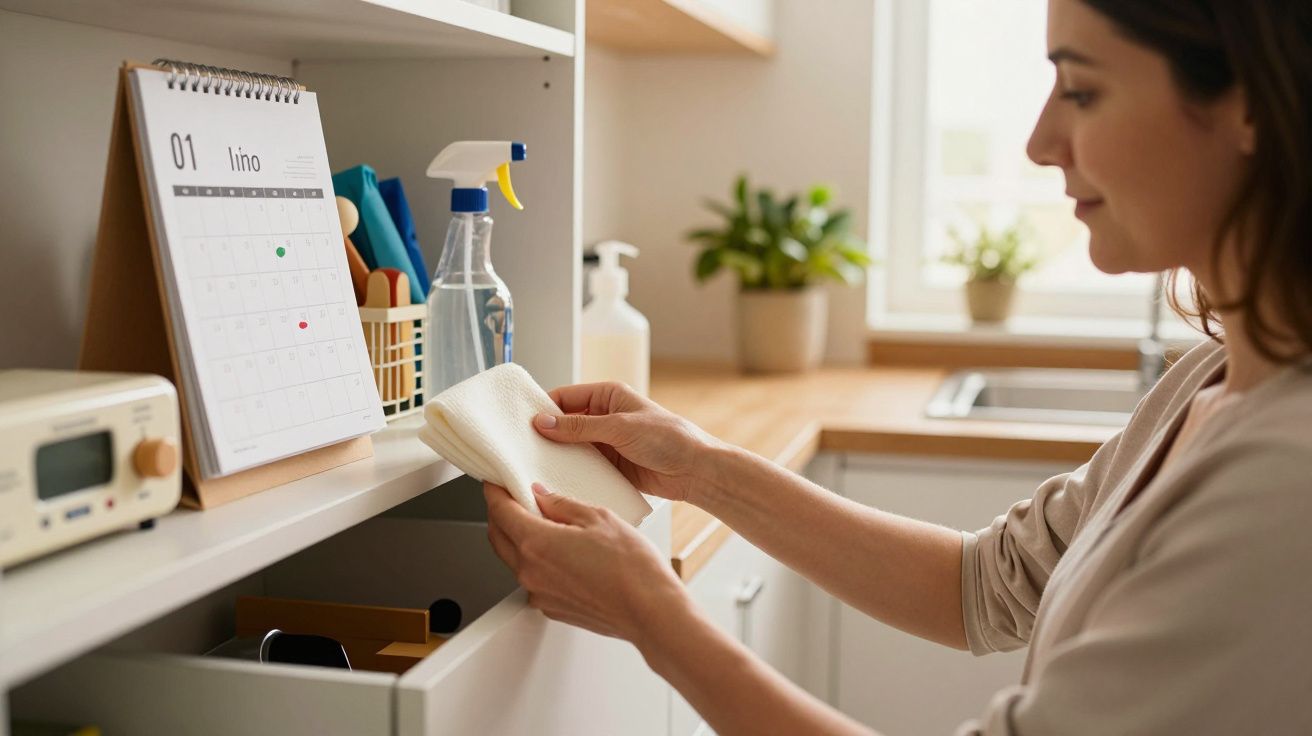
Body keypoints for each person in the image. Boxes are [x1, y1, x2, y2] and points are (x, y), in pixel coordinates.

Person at [481, 0, 1312, 732]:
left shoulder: (1286, 477)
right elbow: (989, 583)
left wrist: (652, 613)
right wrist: (700, 467)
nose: (1038, 141)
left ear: (1249, 103)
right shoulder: (1208, 381)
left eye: (1083, 90)